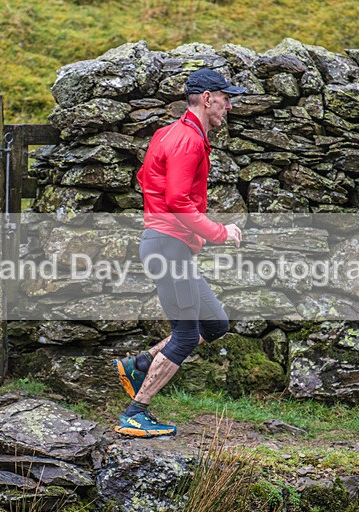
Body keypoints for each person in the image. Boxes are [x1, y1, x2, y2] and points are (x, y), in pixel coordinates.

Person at [113, 68, 245, 438]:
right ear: (207, 99)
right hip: (167, 247)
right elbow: (176, 201)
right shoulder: (187, 139)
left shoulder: (167, 133)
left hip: (166, 245)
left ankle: (138, 364)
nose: (229, 106)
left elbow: (146, 179)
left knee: (215, 324)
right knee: (186, 335)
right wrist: (218, 233)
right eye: (224, 98)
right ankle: (135, 413)